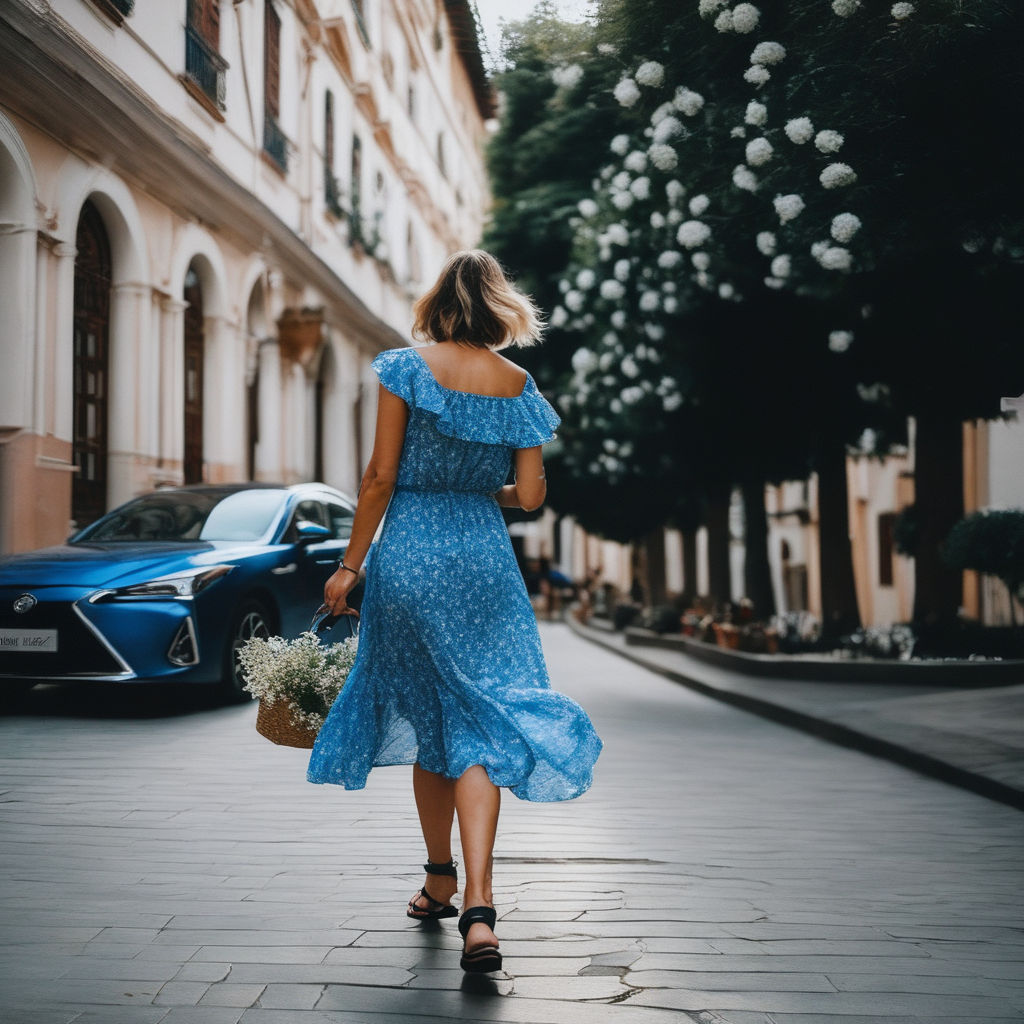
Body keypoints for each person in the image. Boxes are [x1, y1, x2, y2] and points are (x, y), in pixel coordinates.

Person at [306, 250, 603, 975]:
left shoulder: (405, 368)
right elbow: (530, 497)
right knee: (476, 718)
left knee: (430, 712)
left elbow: (379, 476)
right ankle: (478, 905)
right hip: (484, 560)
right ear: (501, 307)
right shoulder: (519, 384)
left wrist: (350, 567)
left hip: (409, 555)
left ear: (438, 303)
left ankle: (437, 876)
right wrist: (476, 487)